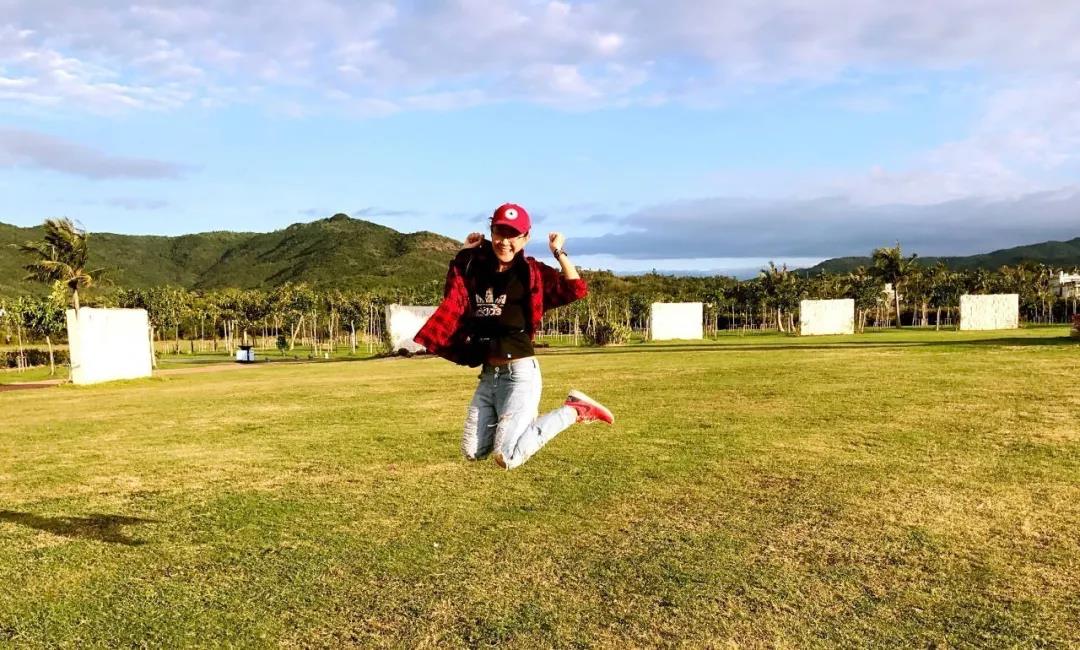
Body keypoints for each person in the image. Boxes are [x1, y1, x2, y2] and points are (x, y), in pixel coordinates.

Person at [414, 202, 614, 469]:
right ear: (491, 232)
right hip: (489, 375)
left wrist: (558, 252)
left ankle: (574, 411)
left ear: (525, 238)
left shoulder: (531, 273)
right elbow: (454, 290)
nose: (505, 241)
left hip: (519, 374)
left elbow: (575, 288)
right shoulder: (476, 269)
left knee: (507, 456)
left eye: (513, 235)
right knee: (472, 451)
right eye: (500, 232)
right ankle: (538, 421)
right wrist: (464, 251)